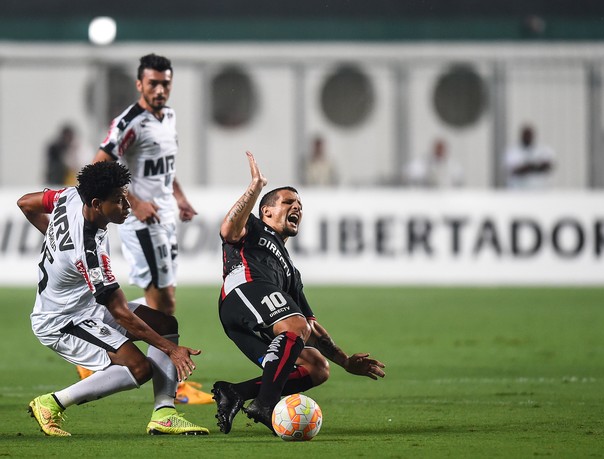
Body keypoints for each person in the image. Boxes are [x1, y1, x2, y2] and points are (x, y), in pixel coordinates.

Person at [17, 161, 208, 437]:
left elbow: (25, 203)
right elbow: (120, 313)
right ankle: (52, 403)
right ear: (96, 203)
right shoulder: (89, 252)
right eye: (119, 201)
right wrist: (171, 349)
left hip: (85, 306)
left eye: (126, 197)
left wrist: (55, 240)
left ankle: (164, 415)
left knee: (164, 322)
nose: (127, 206)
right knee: (139, 368)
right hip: (62, 321)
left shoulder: (70, 195)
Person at [211, 151, 386, 435]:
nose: (297, 208)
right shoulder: (254, 228)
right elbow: (228, 230)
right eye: (288, 202)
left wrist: (344, 361)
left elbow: (311, 326)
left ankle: (235, 392)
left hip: (250, 320)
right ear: (267, 211)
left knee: (317, 366)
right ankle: (265, 404)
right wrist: (255, 189)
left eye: (300, 205)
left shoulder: (291, 272)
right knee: (295, 326)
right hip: (242, 292)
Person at [92, 53, 211, 404]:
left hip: (165, 217)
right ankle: (170, 383)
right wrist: (134, 201)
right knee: (164, 303)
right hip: (140, 221)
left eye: (166, 83)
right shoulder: (130, 121)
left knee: (165, 304)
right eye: (153, 83)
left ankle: (103, 323)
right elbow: (100, 163)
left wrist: (181, 197)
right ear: (139, 84)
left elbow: (165, 168)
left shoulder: (168, 117)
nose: (160, 89)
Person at [504, 125, 555, 189]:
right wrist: (535, 166)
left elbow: (547, 166)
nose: (528, 137)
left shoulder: (543, 149)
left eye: (529, 135)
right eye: (526, 135)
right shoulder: (513, 151)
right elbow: (515, 170)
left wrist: (528, 167)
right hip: (518, 192)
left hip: (538, 191)